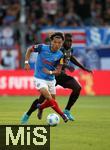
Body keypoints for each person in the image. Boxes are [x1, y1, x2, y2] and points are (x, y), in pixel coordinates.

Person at [24, 33, 92, 122]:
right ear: (62, 42)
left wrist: (83, 68)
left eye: (71, 41)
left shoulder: (69, 50)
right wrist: (67, 67)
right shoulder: (60, 50)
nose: (69, 43)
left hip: (60, 75)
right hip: (51, 76)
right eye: (67, 41)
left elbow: (71, 58)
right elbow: (57, 62)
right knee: (43, 99)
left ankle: (67, 110)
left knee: (77, 88)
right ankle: (29, 113)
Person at [21, 32, 68, 124]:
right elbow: (29, 50)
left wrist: (50, 72)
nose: (57, 44)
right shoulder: (42, 47)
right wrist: (26, 62)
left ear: (61, 44)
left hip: (51, 80)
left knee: (51, 102)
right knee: (49, 99)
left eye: (59, 43)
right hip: (39, 78)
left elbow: (58, 71)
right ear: (51, 42)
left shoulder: (61, 55)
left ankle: (40, 107)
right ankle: (63, 115)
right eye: (55, 42)